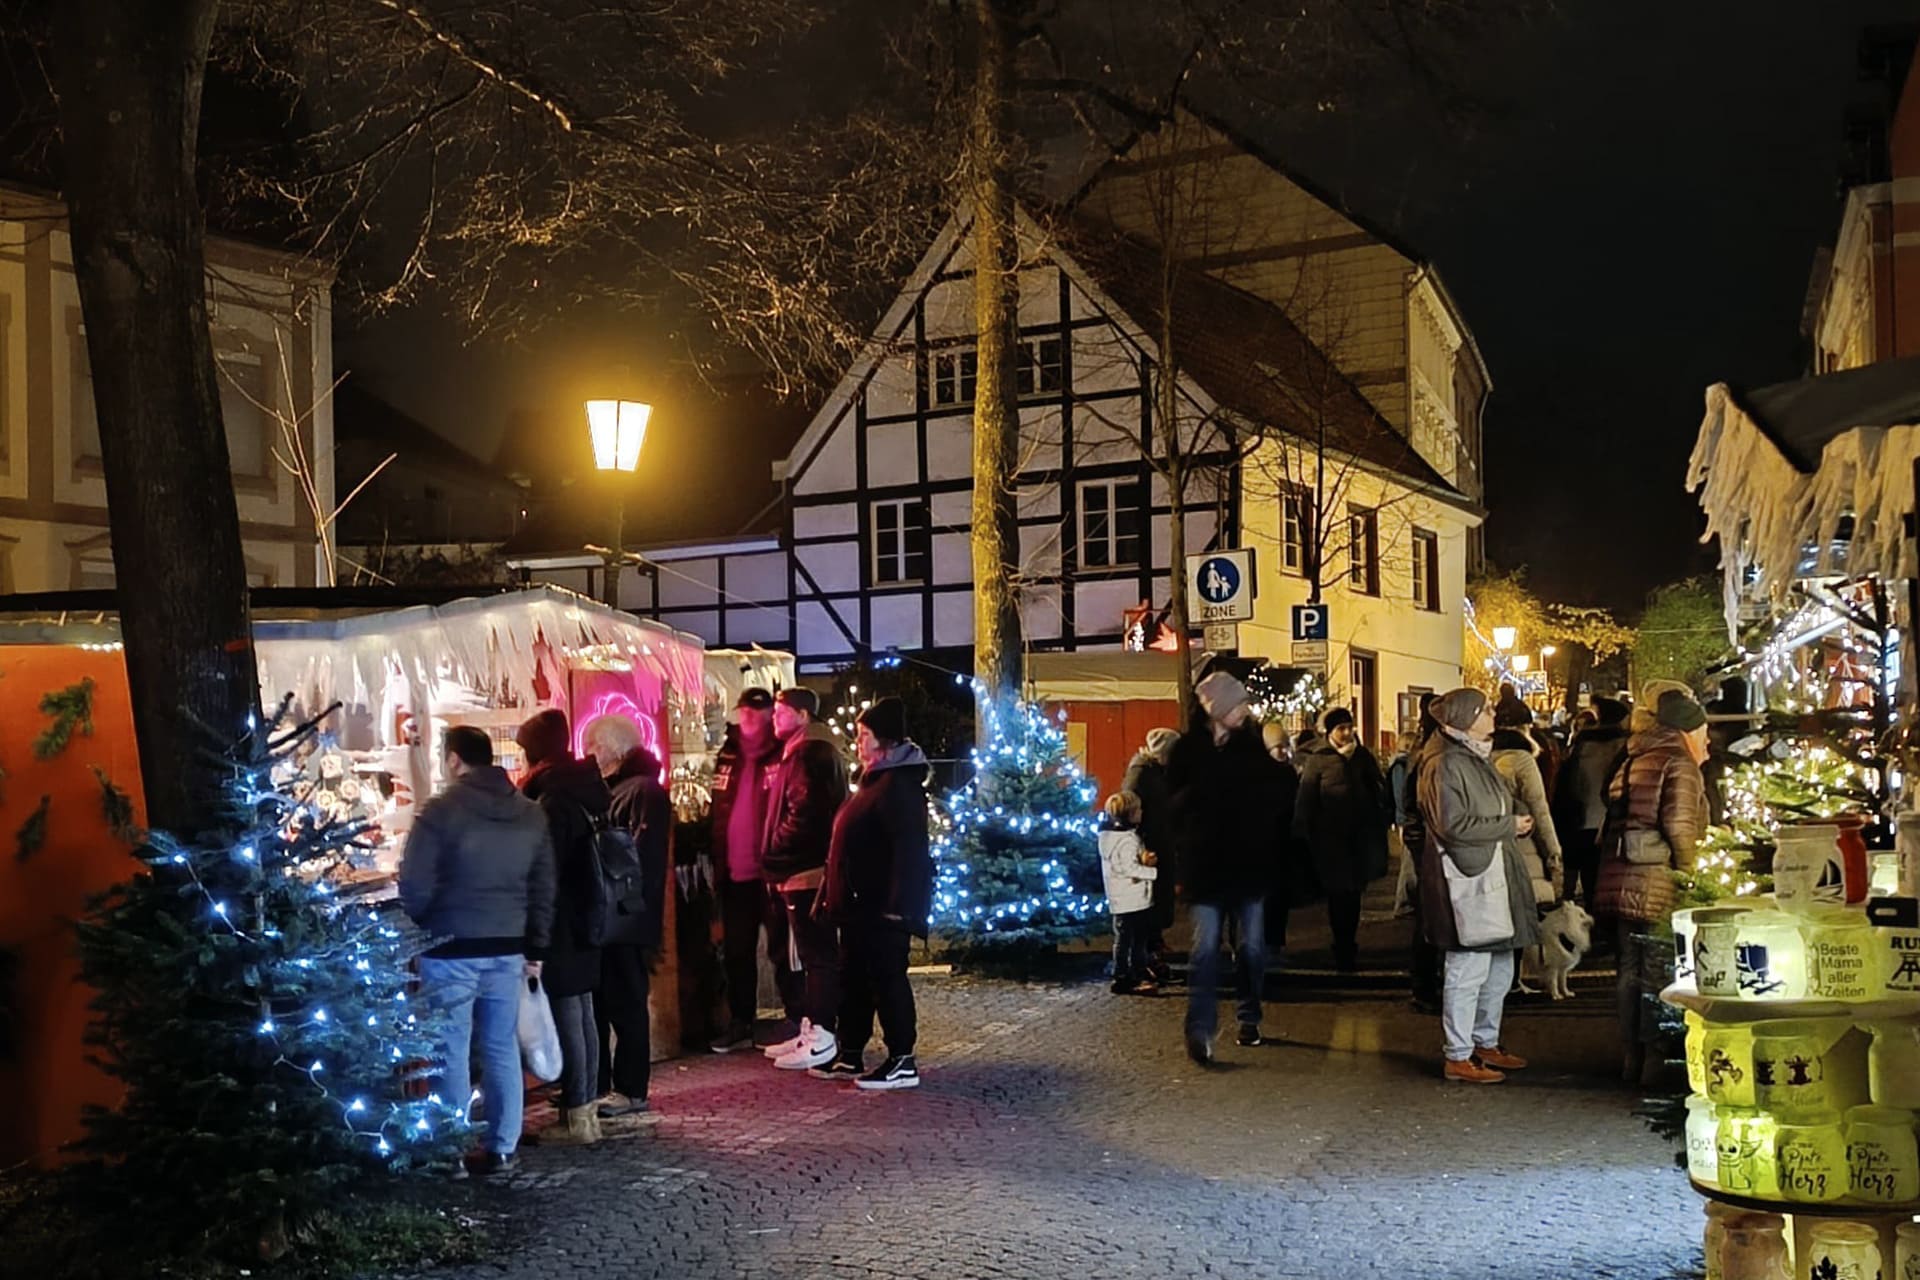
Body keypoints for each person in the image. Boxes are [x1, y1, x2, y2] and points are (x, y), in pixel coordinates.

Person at [399, 726, 556, 1177]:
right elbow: (544, 887)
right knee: (501, 1046)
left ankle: (451, 1151)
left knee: (451, 1048)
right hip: (507, 947)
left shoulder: (440, 812)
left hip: (450, 947)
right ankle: (502, 1146)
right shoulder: (530, 814)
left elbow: (414, 884)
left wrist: (429, 921)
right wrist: (536, 945)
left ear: (453, 760)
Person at [1167, 670, 1292, 1064]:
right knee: (1204, 950)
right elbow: (1170, 806)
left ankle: (1248, 1016)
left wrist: (1282, 772)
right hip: (1205, 868)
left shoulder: (1252, 747)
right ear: (1217, 708)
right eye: (1237, 703)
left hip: (1249, 868)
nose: (1245, 710)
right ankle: (1200, 1030)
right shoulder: (1187, 751)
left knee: (1252, 948)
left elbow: (1279, 796)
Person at [1416, 688, 1539, 1084]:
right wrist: (1508, 826)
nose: (1492, 714)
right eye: (1485, 709)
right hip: (1467, 877)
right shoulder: (1446, 762)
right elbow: (1452, 826)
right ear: (1464, 718)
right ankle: (1459, 1053)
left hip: (1489, 870)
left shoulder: (1470, 755)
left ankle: (1484, 1040)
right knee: (1468, 967)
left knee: (1500, 964)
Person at [815, 697, 934, 1090]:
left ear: (883, 740)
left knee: (887, 980)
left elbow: (909, 851)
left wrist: (899, 908)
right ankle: (851, 1051)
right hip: (857, 907)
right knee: (855, 979)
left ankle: (902, 1058)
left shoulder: (898, 787)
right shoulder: (873, 780)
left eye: (864, 734)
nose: (857, 741)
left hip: (882, 907)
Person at [1595, 689, 1710, 1083]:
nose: (1707, 739)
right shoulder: (1677, 763)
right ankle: (1656, 1060)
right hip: (1657, 878)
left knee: (1628, 967)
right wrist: (1690, 872)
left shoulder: (1633, 757)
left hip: (1619, 873)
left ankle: (1631, 1055)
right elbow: (1679, 825)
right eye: (1703, 731)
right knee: (1658, 972)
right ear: (1688, 730)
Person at [516, 708, 610, 1145]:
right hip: (587, 914)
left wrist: (537, 929)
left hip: (564, 920)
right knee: (584, 1011)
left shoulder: (553, 799)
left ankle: (576, 1115)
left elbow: (545, 870)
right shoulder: (581, 788)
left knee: (570, 1011)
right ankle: (584, 1108)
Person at [582, 717, 670, 1122]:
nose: (588, 755)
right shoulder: (628, 790)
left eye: (592, 746)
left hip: (624, 919)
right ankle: (608, 1086)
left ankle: (629, 1088)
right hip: (619, 916)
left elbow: (639, 860)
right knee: (611, 1002)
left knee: (626, 1003)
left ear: (612, 749)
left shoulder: (639, 792)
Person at [758, 688, 849, 1071]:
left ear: (802, 715)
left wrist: (776, 850)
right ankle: (813, 1027)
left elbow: (805, 813)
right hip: (803, 868)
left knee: (815, 957)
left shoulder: (808, 754)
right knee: (811, 956)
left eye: (781, 711)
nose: (774, 718)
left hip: (804, 872)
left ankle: (822, 1035)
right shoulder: (805, 751)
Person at [708, 687, 791, 1053]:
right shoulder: (728, 753)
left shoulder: (783, 753)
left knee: (781, 950)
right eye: (744, 711)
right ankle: (742, 1021)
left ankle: (797, 1019)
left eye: (756, 713)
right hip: (734, 872)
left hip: (771, 873)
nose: (748, 718)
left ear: (770, 715)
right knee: (737, 952)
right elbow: (718, 805)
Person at [1294, 706, 1392, 973]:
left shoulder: (1361, 757)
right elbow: (1306, 798)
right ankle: (1343, 948)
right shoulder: (1320, 759)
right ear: (1330, 731)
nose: (1347, 733)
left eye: (1350, 727)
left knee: (1354, 895)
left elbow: (1378, 788)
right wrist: (1303, 831)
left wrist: (1381, 816)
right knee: (1338, 896)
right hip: (1331, 840)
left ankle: (1349, 943)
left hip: (1359, 838)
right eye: (1341, 728)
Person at [1553, 697, 1630, 907]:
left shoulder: (1581, 745)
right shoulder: (1624, 746)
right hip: (1609, 821)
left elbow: (1568, 785)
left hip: (1583, 818)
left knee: (1589, 879)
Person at [1395, 694, 1445, 1013]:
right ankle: (1424, 984)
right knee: (1430, 916)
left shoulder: (1421, 751)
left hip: (1425, 842)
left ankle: (1426, 982)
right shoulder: (1428, 755)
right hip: (1430, 845)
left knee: (1431, 916)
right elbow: (1416, 804)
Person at [1119, 727, 1180, 982]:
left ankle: (1154, 952)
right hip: (1148, 849)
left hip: (1160, 845)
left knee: (1159, 902)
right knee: (1148, 906)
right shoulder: (1141, 774)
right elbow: (1128, 810)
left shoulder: (1159, 772)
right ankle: (1145, 961)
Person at [1492, 700, 1563, 910]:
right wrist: (1553, 853)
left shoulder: (1482, 757)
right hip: (1523, 847)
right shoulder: (1522, 760)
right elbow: (1538, 810)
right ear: (1525, 727)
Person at [1098, 791, 1159, 994]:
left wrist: (1143, 857)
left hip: (1120, 898)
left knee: (1125, 938)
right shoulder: (1127, 840)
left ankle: (1128, 973)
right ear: (1131, 814)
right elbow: (1127, 868)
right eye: (1138, 810)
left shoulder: (1110, 838)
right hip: (1133, 898)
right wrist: (1152, 872)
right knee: (1135, 941)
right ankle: (1127, 976)